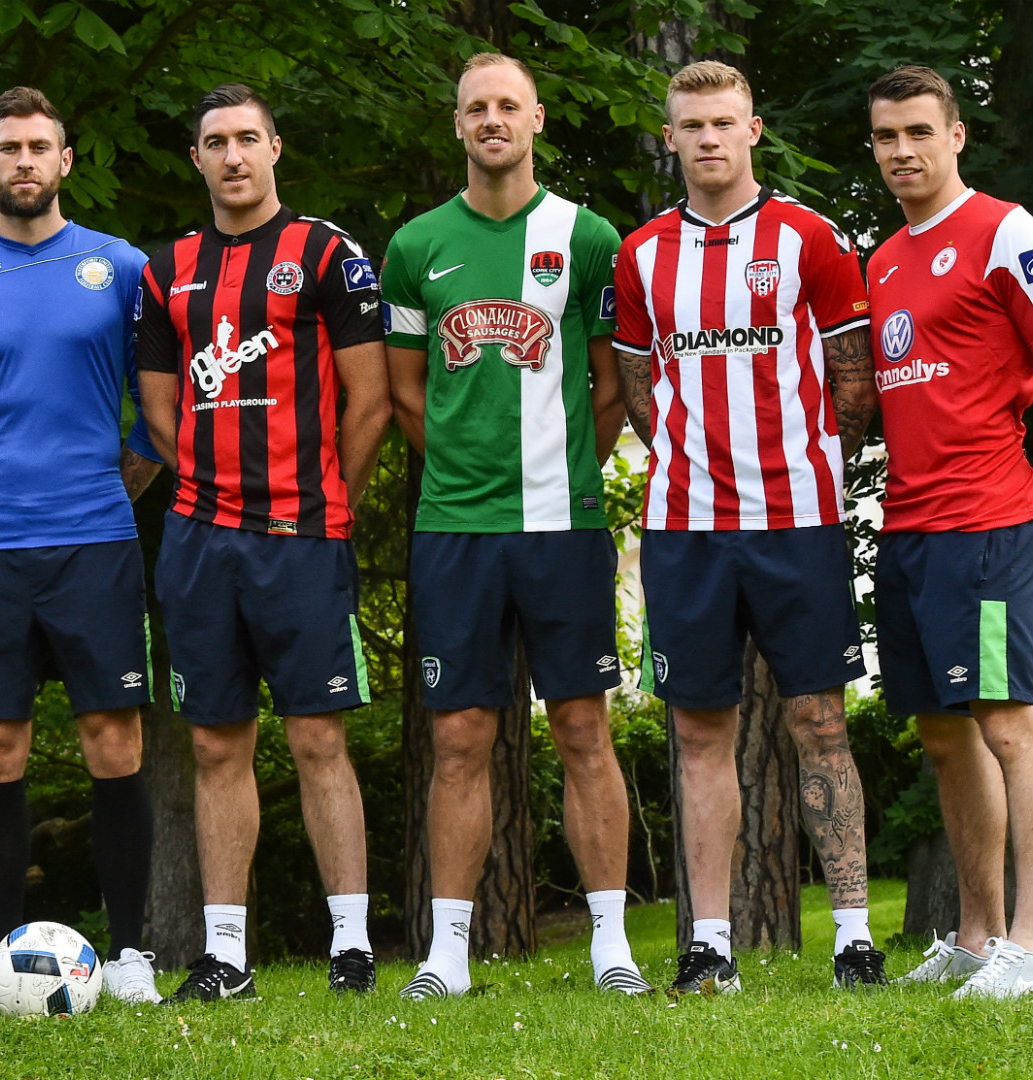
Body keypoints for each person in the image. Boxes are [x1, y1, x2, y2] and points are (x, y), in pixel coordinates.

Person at [611, 61, 885, 994]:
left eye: (724, 122)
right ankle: (710, 947)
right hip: (686, 524)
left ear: (753, 130)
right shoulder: (642, 253)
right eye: (692, 125)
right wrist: (694, 463)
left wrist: (804, 465)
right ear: (671, 138)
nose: (709, 139)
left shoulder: (811, 237)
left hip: (796, 517)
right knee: (699, 730)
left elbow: (854, 384)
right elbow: (642, 389)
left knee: (820, 722)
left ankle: (854, 939)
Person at [381, 53, 645, 999]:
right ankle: (447, 956)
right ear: (457, 124)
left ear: (535, 119)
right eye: (475, 108)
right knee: (459, 736)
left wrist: (566, 471)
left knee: (582, 726)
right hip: (456, 526)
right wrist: (464, 467)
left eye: (508, 105)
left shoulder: (589, 236)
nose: (492, 119)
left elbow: (612, 384)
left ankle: (612, 945)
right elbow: (405, 393)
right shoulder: (415, 245)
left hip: (561, 521)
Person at [0, 86, 165, 1007]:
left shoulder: (122, 267)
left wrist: (120, 477)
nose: (24, 161)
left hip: (97, 539)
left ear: (65, 161)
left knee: (113, 738)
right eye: (8, 148)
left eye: (39, 147)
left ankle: (130, 956)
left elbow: (158, 395)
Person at [137, 83, 393, 1002]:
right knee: (216, 746)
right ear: (197, 158)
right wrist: (212, 492)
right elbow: (160, 414)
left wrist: (326, 500)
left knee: (318, 737)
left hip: (302, 536)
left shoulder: (327, 253)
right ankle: (226, 958)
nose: (234, 155)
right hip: (200, 541)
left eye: (248, 138)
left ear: (275, 148)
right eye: (216, 142)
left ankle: (352, 948)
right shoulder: (165, 269)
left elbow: (371, 402)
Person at [865, 66, 1033, 998]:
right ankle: (975, 937)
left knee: (1009, 720)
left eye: (920, 131)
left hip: (989, 520)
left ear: (957, 136)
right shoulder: (883, 259)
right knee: (944, 733)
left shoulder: (1007, 231)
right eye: (886, 136)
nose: (903, 151)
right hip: (911, 527)